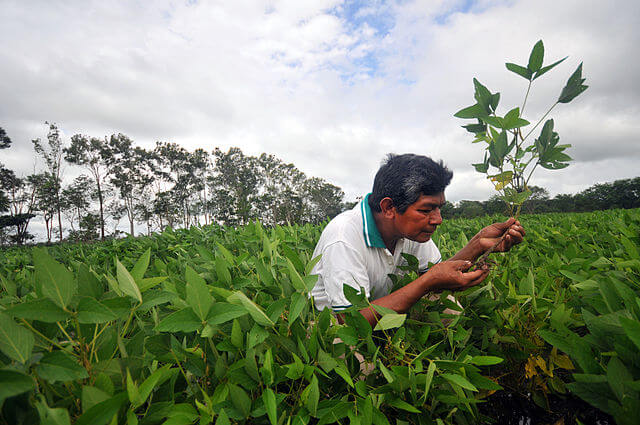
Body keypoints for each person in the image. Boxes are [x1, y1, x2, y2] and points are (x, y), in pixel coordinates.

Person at [310, 153, 525, 327]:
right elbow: (352, 321)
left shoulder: (409, 231)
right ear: (388, 208)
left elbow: (437, 273)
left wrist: (478, 244)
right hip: (336, 327)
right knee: (360, 362)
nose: (438, 219)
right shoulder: (343, 237)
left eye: (439, 207)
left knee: (447, 308)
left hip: (385, 314)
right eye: (426, 209)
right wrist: (427, 282)